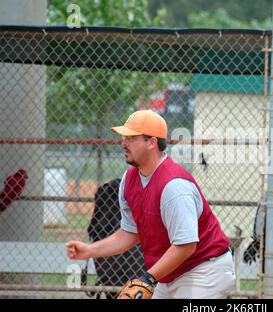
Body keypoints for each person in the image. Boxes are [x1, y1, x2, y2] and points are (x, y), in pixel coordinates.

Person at [66, 110, 235, 299]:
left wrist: (148, 278)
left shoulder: (174, 187)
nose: (123, 142)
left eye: (131, 138)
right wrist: (90, 250)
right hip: (169, 273)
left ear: (152, 142)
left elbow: (186, 245)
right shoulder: (129, 180)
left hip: (204, 270)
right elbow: (130, 233)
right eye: (124, 137)